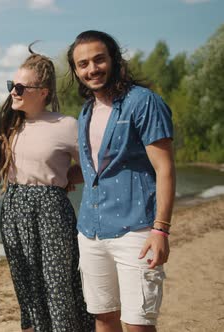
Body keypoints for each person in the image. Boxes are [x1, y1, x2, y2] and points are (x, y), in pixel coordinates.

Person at [66, 30, 175, 332]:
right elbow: (97, 168)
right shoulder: (86, 111)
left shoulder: (144, 102)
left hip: (136, 231)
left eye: (99, 59)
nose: (92, 69)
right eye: (83, 64)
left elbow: (165, 168)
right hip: (91, 231)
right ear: (76, 71)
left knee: (138, 323)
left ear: (114, 59)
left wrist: (161, 230)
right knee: (103, 317)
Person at [0, 46, 95, 332]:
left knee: (57, 286)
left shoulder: (66, 125)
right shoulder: (10, 124)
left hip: (51, 210)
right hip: (13, 207)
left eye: (20, 87)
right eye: (11, 86)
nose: (13, 92)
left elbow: (94, 164)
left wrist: (65, 177)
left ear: (44, 92)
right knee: (27, 289)